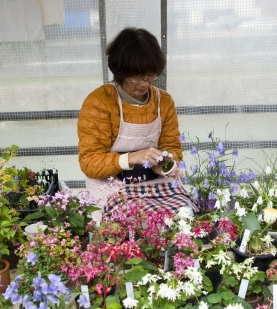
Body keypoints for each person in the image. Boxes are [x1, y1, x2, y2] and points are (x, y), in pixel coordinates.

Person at [77, 27, 193, 214]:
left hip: (155, 183)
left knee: (184, 213)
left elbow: (172, 147)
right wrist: (132, 158)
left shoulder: (164, 101)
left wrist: (164, 166)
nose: (145, 83)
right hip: (111, 186)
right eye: (137, 77)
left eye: (151, 76)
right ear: (120, 70)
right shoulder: (99, 102)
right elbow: (90, 162)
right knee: (134, 219)